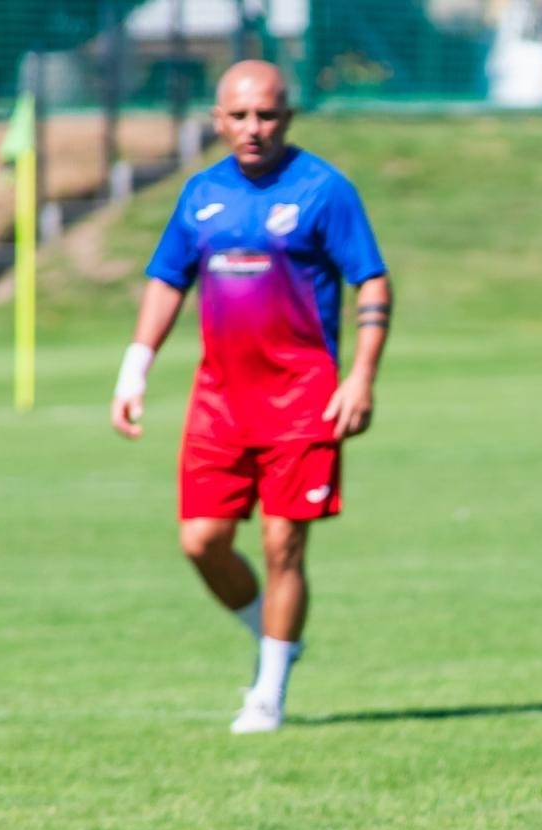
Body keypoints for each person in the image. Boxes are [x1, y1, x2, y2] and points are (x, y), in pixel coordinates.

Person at [110, 60, 391, 734]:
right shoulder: (201, 194)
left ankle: (268, 689)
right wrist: (134, 368)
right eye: (238, 116)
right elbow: (166, 278)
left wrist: (361, 376)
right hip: (219, 403)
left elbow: (372, 283)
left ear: (287, 116)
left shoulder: (325, 189)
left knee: (282, 544)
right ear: (217, 120)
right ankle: (273, 632)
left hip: (302, 401)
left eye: (266, 114)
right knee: (201, 542)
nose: (253, 128)